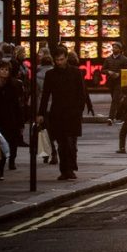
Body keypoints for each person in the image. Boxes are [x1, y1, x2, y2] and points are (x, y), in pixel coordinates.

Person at [37, 47, 87, 181]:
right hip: (57, 113)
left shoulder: (76, 73)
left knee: (71, 143)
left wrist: (79, 110)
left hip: (72, 113)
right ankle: (64, 170)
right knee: (62, 144)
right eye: (57, 60)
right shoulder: (50, 75)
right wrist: (40, 113)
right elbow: (45, 95)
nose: (59, 62)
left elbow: (81, 93)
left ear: (66, 58)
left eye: (62, 59)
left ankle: (70, 168)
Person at [0, 59, 23, 178]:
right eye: (2, 69)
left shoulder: (14, 85)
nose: (4, 72)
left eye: (6, 70)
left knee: (10, 141)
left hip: (10, 118)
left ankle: (11, 159)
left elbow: (17, 105)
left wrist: (20, 123)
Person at [103, 42, 127, 126]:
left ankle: (110, 118)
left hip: (120, 82)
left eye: (116, 48)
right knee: (116, 100)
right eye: (113, 47)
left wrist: (119, 74)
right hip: (111, 82)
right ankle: (122, 116)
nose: (114, 49)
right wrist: (108, 72)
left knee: (115, 100)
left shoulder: (124, 59)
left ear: (120, 49)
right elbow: (102, 70)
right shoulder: (108, 59)